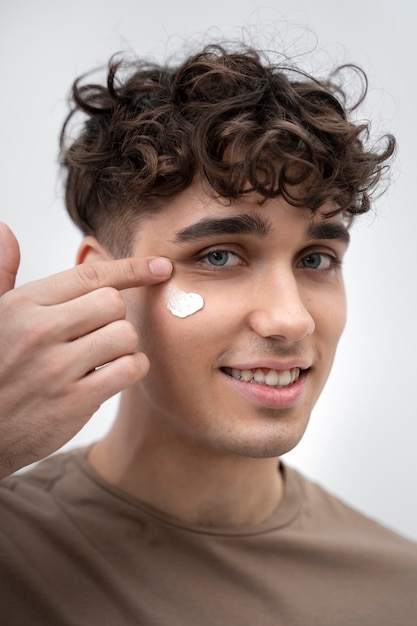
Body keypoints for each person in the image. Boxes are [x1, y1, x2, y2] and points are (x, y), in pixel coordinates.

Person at [0, 42, 416, 625]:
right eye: (220, 256)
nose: (291, 319)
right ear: (104, 286)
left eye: (316, 259)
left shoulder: (400, 590)